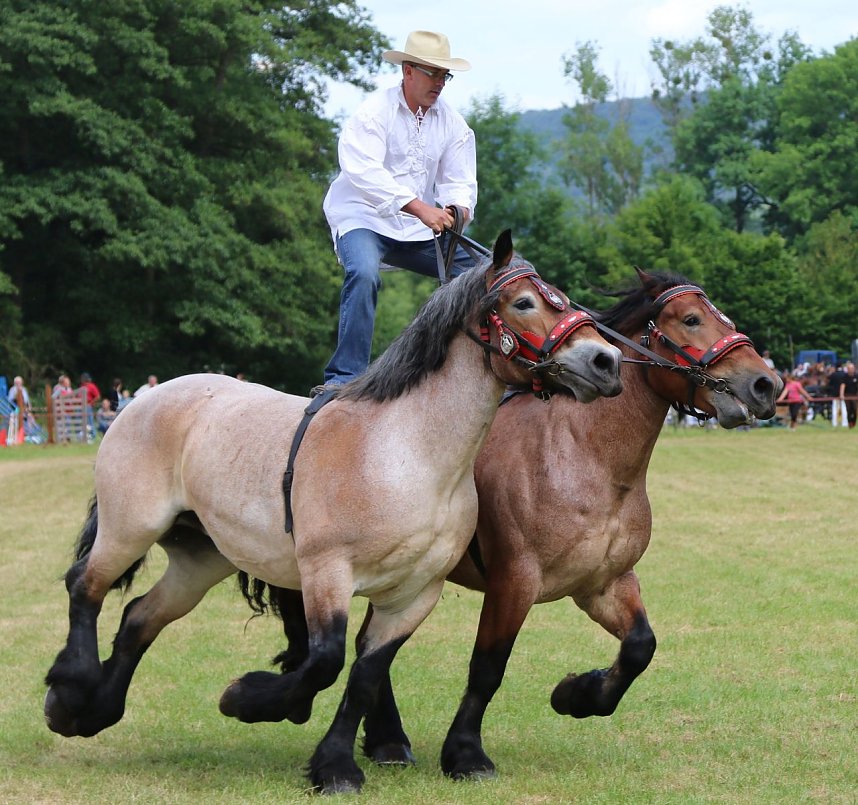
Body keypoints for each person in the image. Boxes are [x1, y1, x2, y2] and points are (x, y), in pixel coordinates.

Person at [317, 30, 478, 393]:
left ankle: (474, 375)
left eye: (444, 75)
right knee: (363, 273)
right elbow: (364, 173)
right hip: (362, 217)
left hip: (418, 229)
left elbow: (460, 181)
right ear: (408, 71)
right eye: (432, 73)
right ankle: (344, 378)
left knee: (490, 275)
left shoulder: (453, 124)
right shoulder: (373, 114)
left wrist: (456, 210)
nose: (440, 83)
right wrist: (422, 208)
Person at [839, 361, 857, 429]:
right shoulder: (845, 377)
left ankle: (854, 422)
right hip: (847, 395)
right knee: (849, 410)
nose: (851, 370)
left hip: (855, 396)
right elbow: (843, 385)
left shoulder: (856, 376)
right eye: (850, 368)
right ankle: (850, 423)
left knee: (855, 410)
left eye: (852, 368)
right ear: (848, 369)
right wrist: (841, 394)